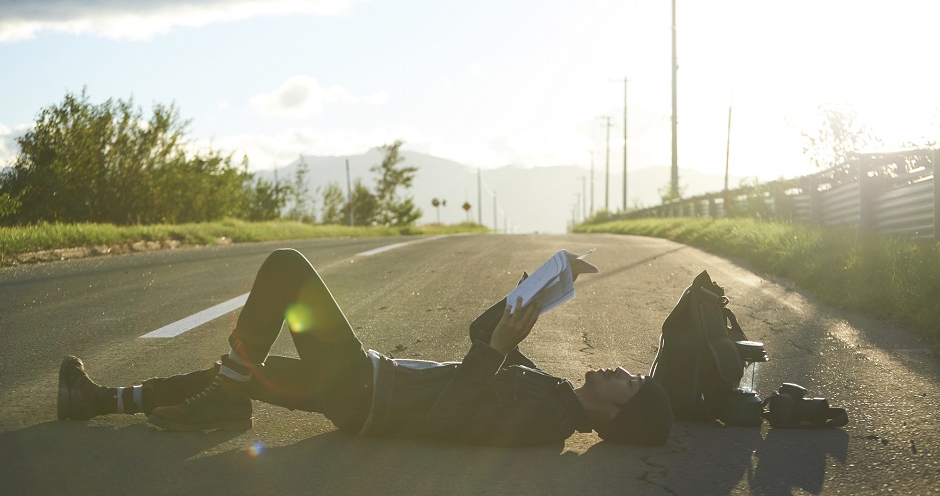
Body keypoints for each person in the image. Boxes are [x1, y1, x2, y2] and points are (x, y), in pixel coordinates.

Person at [57, 248, 673, 446]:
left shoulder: (544, 422)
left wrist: (495, 352)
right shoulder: (554, 394)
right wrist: (529, 296)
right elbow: (477, 342)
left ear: (617, 413)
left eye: (629, 382)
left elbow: (452, 415)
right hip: (362, 390)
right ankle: (97, 401)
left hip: (366, 392)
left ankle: (224, 401)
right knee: (242, 371)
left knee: (287, 268)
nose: (620, 369)